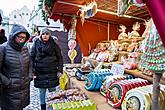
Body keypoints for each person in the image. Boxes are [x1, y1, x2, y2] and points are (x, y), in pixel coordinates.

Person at [30, 28, 63, 110]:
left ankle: (52, 107)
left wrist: (60, 70)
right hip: (40, 72)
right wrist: (32, 71)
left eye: (47, 34)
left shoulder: (54, 43)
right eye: (43, 34)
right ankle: (43, 108)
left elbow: (60, 58)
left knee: (53, 92)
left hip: (52, 72)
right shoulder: (36, 43)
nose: (45, 36)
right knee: (42, 92)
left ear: (49, 35)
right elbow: (31, 57)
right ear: (41, 35)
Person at [0, 24, 32, 110]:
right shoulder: (3, 48)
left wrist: (30, 76)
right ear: (13, 36)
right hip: (9, 92)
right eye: (19, 37)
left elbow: (30, 63)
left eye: (24, 37)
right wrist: (7, 82)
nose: (22, 39)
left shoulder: (25, 49)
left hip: (23, 90)